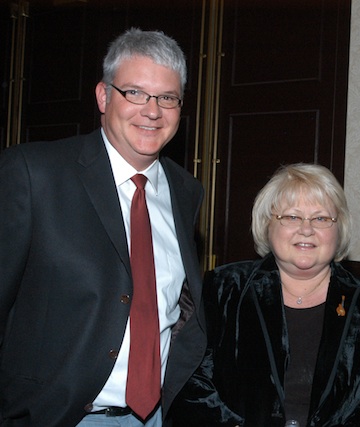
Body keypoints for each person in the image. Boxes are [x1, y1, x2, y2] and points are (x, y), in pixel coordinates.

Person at [0, 28, 206, 426]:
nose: (152, 111)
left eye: (167, 97)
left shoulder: (186, 191)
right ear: (103, 95)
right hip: (57, 416)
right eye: (135, 93)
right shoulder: (32, 174)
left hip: (160, 415)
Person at [171, 163, 360, 426]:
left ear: (339, 229)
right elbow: (190, 377)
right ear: (268, 224)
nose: (306, 229)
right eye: (291, 217)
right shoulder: (223, 288)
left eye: (321, 218)